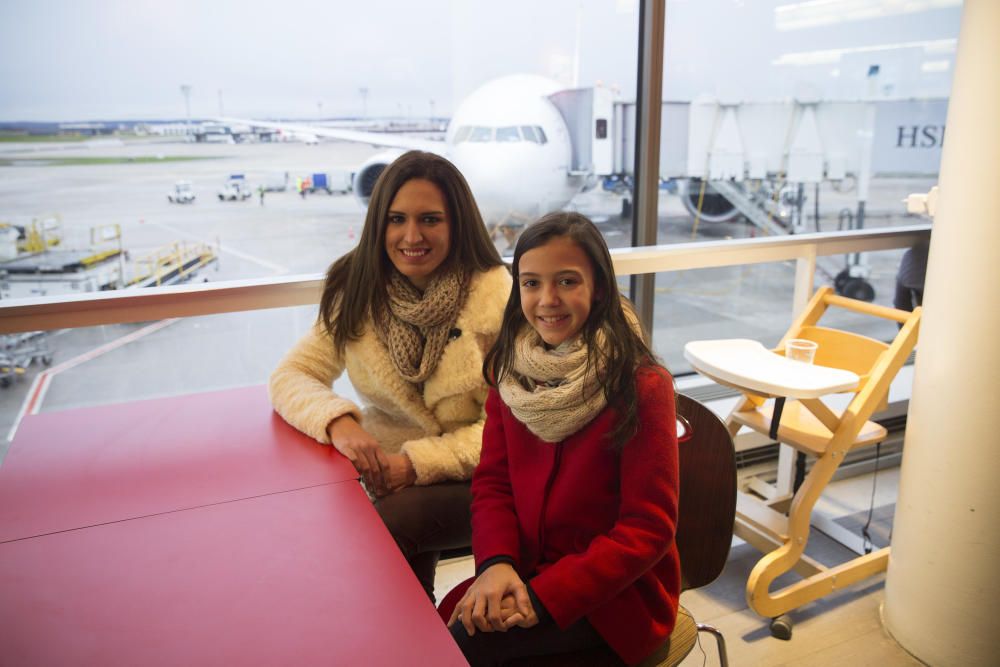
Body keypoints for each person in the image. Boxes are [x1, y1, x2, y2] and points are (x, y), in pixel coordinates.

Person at [269, 151, 510, 601]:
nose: (410, 236)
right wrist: (338, 423)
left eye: (430, 219)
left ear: (457, 224)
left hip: (482, 474)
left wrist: (415, 465)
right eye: (396, 219)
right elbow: (293, 374)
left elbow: (506, 427)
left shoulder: (497, 298)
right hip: (387, 472)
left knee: (390, 529)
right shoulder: (359, 290)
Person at [447, 212, 680, 666]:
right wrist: (496, 563)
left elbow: (647, 529)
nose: (546, 300)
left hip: (613, 595)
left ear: (599, 288)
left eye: (567, 281)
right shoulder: (510, 372)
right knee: (449, 630)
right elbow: (494, 484)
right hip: (523, 569)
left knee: (466, 646)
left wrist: (544, 597)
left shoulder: (642, 384)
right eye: (531, 283)